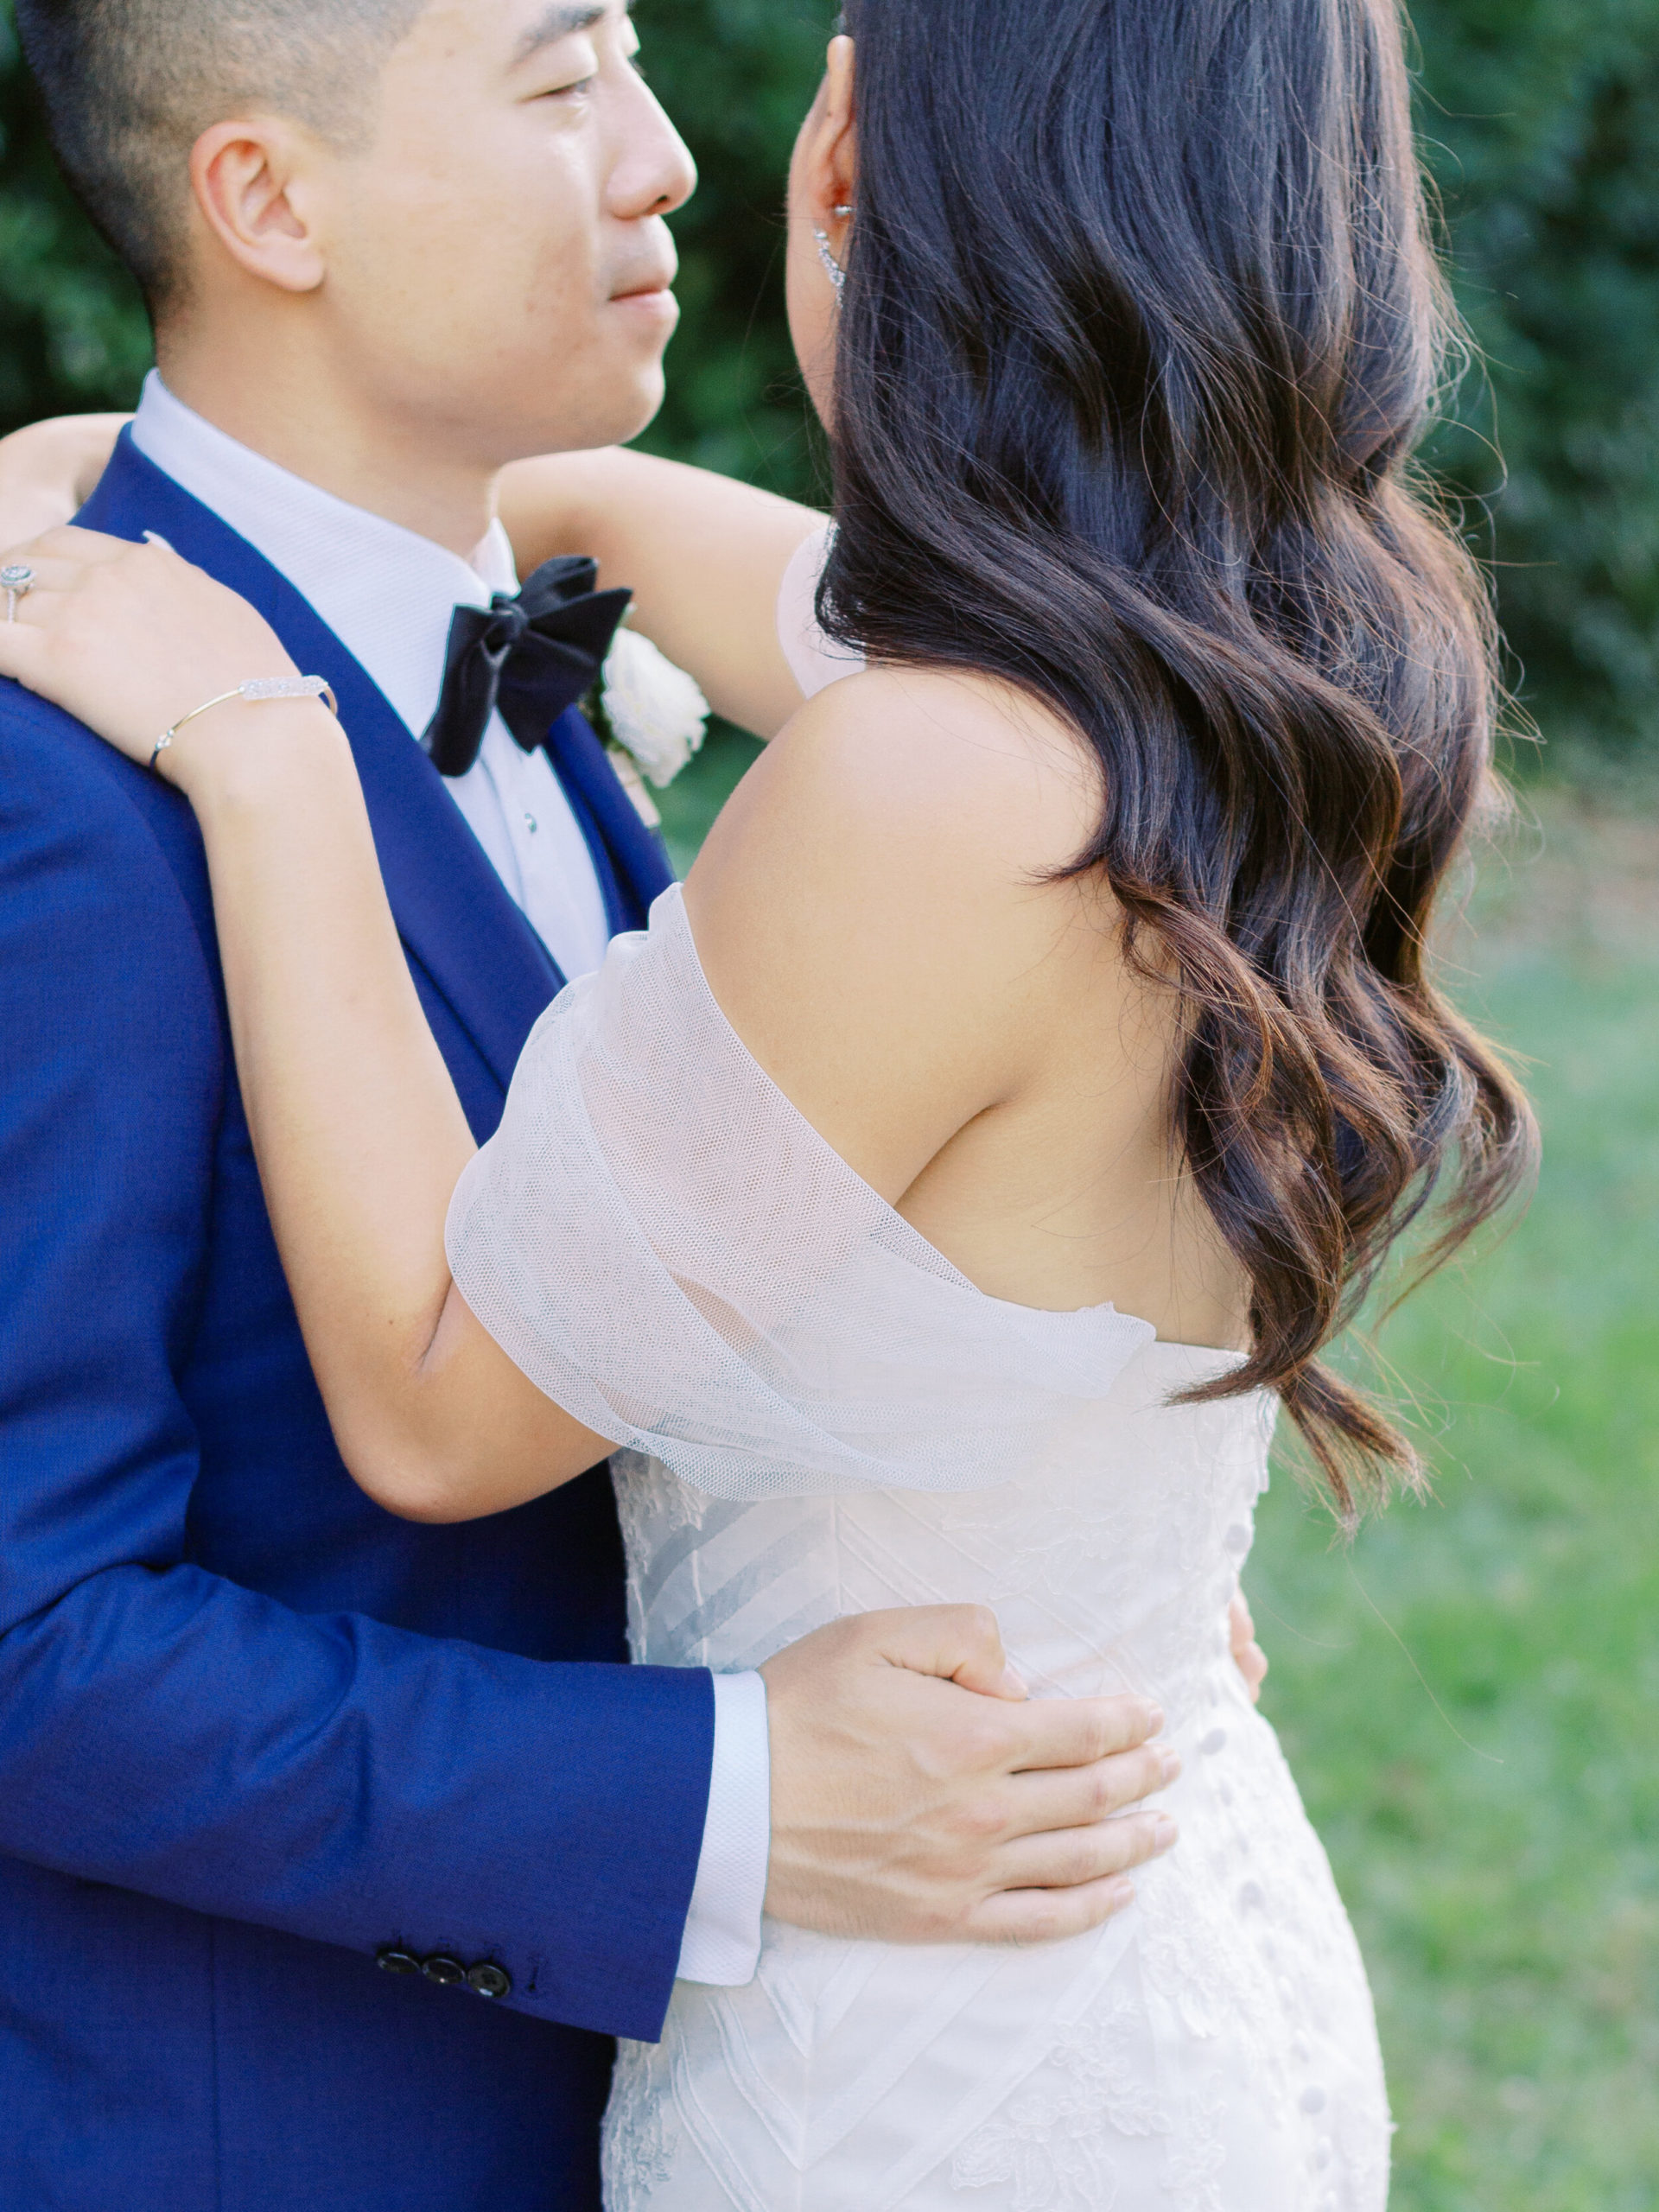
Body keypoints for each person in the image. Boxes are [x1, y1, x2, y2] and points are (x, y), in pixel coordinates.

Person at [1, 0, 1536, 2207]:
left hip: (918, 2060)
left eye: (654, 65)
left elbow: (458, 1405)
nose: (662, 162)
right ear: (263, 196)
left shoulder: (915, 753)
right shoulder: (1228, 674)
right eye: (562, 80)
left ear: (860, 173)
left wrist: (265, 741)